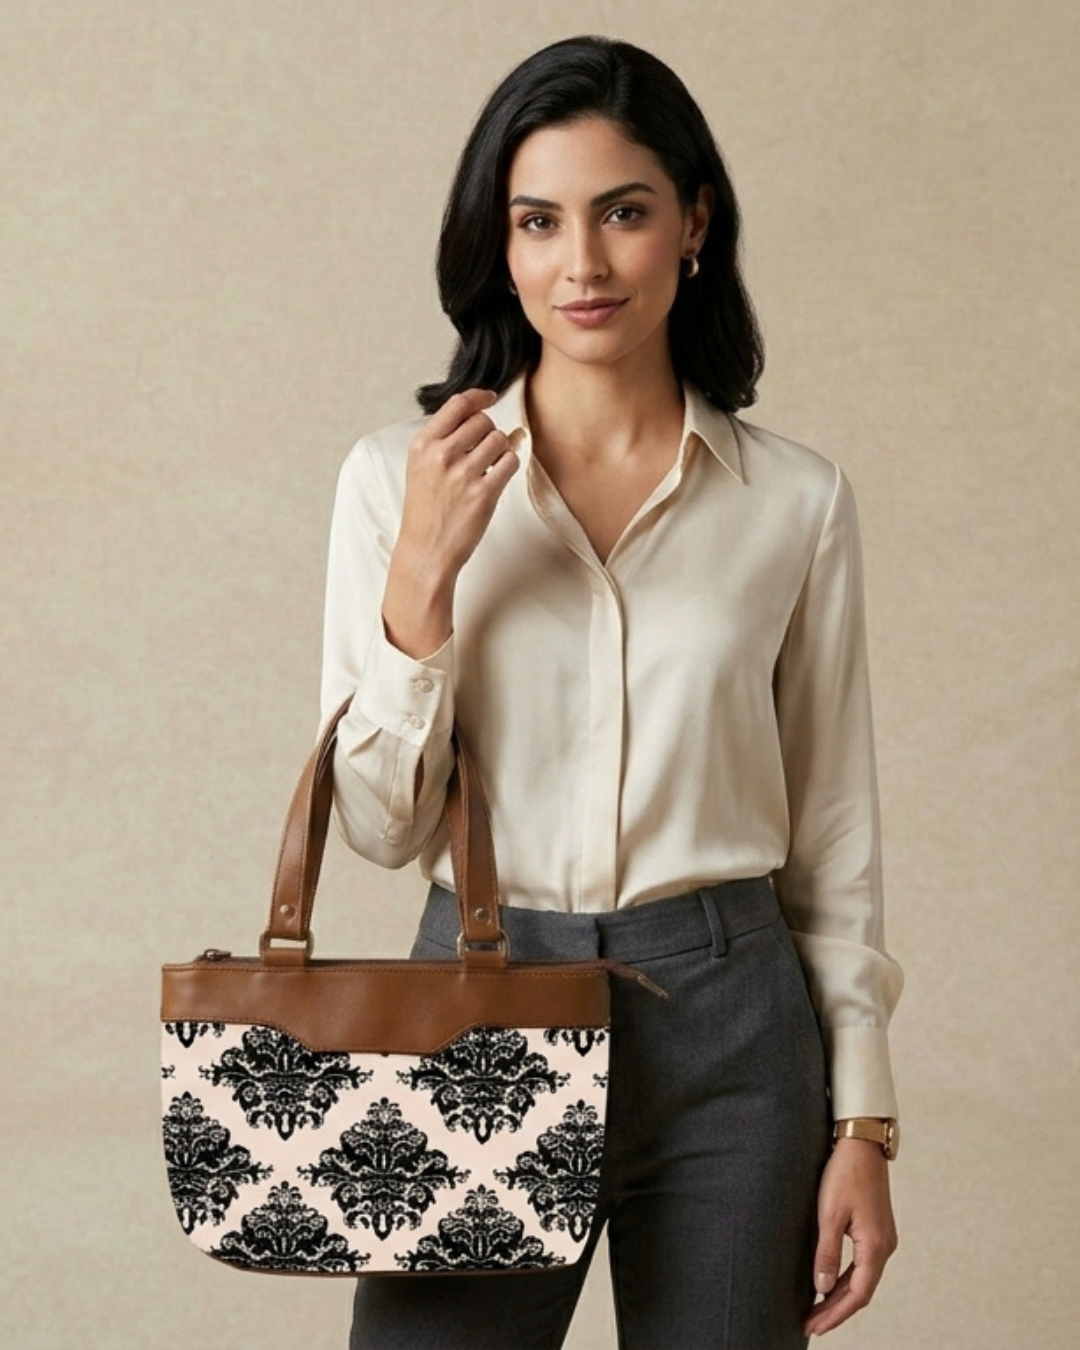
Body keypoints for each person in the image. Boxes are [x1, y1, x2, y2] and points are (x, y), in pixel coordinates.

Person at [321, 34, 902, 1350]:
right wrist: (421, 584)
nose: (580, 264)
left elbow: (836, 836)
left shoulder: (792, 503)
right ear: (500, 243)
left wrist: (862, 1117)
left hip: (731, 1032)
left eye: (622, 212)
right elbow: (377, 826)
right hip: (479, 993)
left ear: (693, 224)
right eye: (539, 221)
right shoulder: (393, 480)